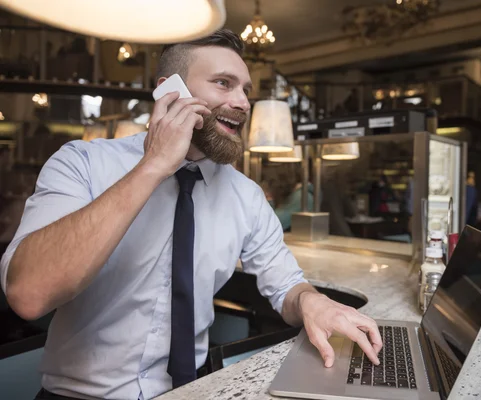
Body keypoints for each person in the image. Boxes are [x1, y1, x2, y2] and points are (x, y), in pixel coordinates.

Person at [0, 30, 382, 400]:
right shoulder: (82, 163)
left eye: (245, 89)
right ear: (170, 90)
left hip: (194, 390)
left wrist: (310, 301)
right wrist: (153, 166)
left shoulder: (245, 195)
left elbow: (286, 286)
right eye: (223, 83)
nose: (243, 102)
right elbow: (29, 294)